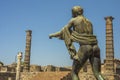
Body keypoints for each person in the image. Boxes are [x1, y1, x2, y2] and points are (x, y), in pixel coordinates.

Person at [49, 6, 105, 80]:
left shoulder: (73, 20)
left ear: (75, 12)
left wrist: (52, 35)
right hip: (96, 47)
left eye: (72, 12)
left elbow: (63, 31)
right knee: (97, 73)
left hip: (85, 47)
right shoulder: (89, 21)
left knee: (74, 73)